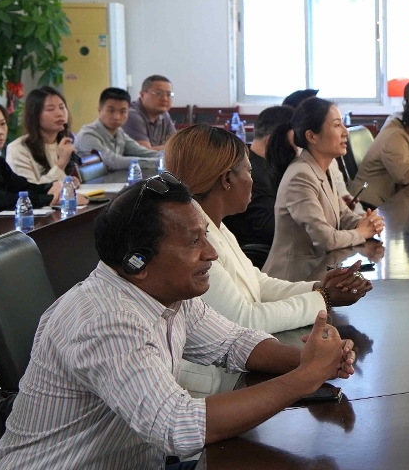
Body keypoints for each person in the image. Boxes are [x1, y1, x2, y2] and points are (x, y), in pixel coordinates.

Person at [0, 175, 356, 470]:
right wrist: (304, 378)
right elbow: (178, 426)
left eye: (206, 237)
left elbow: (234, 343)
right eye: (193, 242)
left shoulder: (167, 295)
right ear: (137, 261)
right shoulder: (105, 320)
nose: (210, 253)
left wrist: (311, 359)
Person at [163, 124, 373, 393]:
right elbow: (244, 319)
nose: (253, 180)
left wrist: (319, 288)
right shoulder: (191, 239)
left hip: (239, 368)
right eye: (249, 171)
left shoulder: (214, 224)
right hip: (212, 388)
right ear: (227, 180)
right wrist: (324, 299)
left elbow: (258, 283)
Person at [265, 98, 385, 282]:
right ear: (312, 136)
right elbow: (326, 239)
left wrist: (367, 222)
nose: (346, 132)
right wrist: (362, 232)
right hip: (293, 281)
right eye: (337, 125)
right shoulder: (300, 176)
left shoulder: (324, 169)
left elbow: (343, 215)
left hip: (319, 271)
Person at [222, 105, 292, 250]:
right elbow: (272, 230)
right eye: (294, 142)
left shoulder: (263, 165)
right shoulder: (250, 174)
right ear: (271, 141)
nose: (297, 150)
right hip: (261, 254)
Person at [74, 87, 162, 171]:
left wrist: (166, 157)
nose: (116, 117)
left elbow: (142, 152)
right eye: (111, 111)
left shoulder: (119, 132)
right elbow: (114, 162)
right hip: (88, 182)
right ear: (99, 110)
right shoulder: (87, 135)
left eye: (122, 112)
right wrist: (159, 162)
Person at [5, 87, 77, 185]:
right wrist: (61, 163)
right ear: (35, 115)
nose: (60, 114)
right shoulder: (18, 149)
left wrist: (68, 182)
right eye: (50, 109)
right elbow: (29, 190)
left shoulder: (63, 143)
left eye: (62, 107)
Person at [123, 75, 176, 150]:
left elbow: (177, 143)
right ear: (142, 95)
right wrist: (172, 148)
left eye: (169, 94)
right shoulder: (132, 115)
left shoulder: (164, 114)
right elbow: (144, 152)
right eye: (158, 93)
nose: (165, 99)